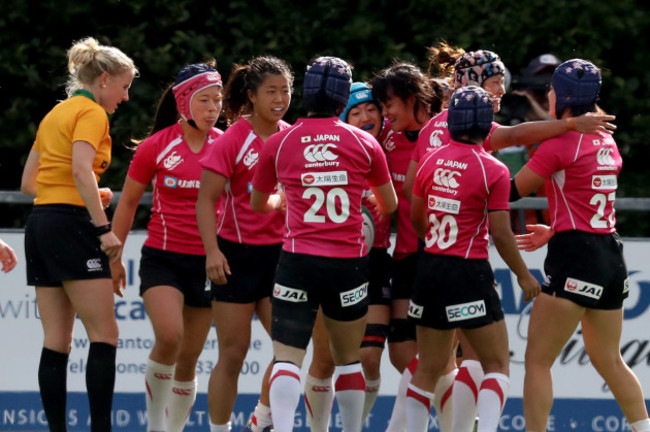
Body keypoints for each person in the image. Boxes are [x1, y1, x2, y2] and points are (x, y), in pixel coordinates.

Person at [250, 56, 397, 432]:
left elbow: (258, 203)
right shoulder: (364, 142)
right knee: (348, 359)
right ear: (342, 97)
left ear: (306, 92)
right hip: (348, 264)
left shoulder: (278, 142)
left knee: (286, 358)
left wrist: (281, 200)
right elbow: (389, 205)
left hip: (297, 260)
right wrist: (361, 198)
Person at [511, 59, 650, 432]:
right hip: (610, 255)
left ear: (565, 96)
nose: (549, 97)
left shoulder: (560, 144)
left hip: (575, 256)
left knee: (537, 361)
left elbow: (510, 191)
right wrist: (554, 228)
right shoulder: (606, 139)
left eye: (552, 91)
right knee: (610, 359)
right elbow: (587, 204)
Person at [19, 37, 137, 432]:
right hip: (71, 225)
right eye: (124, 86)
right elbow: (80, 170)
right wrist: (103, 227)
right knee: (105, 334)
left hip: (40, 223)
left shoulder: (55, 114)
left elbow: (29, 183)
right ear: (103, 80)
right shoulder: (91, 113)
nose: (125, 96)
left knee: (56, 340)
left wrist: (87, 194)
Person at [407, 86, 540, 432]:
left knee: (427, 369)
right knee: (496, 363)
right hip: (467, 273)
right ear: (487, 124)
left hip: (429, 268)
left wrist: (435, 244)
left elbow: (416, 219)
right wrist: (524, 275)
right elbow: (500, 232)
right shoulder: (492, 169)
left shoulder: (430, 160)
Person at [110, 61, 224, 432]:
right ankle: (155, 428)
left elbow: (249, 201)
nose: (213, 108)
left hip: (210, 263)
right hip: (163, 257)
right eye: (204, 100)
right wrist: (114, 257)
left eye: (218, 100)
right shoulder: (156, 147)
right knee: (170, 336)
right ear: (184, 103)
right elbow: (127, 204)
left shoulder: (227, 145)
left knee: (189, 359)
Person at [195, 56, 294, 432]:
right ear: (252, 96)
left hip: (281, 256)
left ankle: (262, 418)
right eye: (271, 91)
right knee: (233, 355)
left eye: (286, 90)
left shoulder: (292, 137)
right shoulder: (233, 138)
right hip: (235, 255)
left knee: (287, 350)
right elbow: (205, 200)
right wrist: (212, 251)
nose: (280, 98)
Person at [370, 60, 460, 432]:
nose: (385, 113)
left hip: (441, 256)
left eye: (389, 104)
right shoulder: (386, 138)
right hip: (405, 256)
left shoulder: (449, 132)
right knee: (405, 352)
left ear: (411, 99)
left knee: (439, 360)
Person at [304, 82, 393, 432]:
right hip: (330, 259)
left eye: (370, 108)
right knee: (324, 360)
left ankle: (354, 425)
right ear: (343, 118)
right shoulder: (328, 148)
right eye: (355, 112)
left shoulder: (394, 144)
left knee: (370, 358)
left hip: (375, 260)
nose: (365, 116)